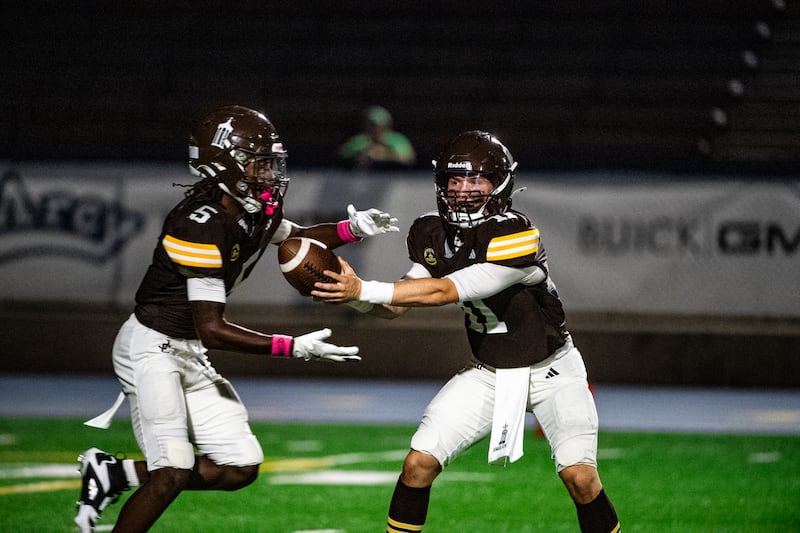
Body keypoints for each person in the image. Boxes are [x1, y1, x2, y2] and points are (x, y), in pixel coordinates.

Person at [74, 105, 399, 533]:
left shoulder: (253, 206)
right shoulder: (197, 226)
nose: (268, 173)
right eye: (258, 162)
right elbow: (213, 328)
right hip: (152, 347)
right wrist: (292, 347)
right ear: (223, 164)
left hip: (187, 348)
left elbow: (293, 238)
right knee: (172, 470)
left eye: (270, 162)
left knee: (238, 467)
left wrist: (350, 229)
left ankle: (114, 475)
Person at [314, 130, 621, 532]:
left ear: (500, 185)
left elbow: (446, 290)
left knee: (580, 478)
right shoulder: (430, 231)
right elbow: (398, 304)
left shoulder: (515, 232)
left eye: (476, 180)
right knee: (418, 463)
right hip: (488, 374)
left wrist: (365, 288)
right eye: (454, 181)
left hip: (553, 372)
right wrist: (353, 297)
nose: (463, 191)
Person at [337, 105, 416, 170]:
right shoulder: (359, 140)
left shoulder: (399, 140)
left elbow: (406, 159)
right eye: (371, 125)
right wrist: (366, 153)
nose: (375, 129)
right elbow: (343, 156)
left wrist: (386, 152)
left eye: (378, 125)